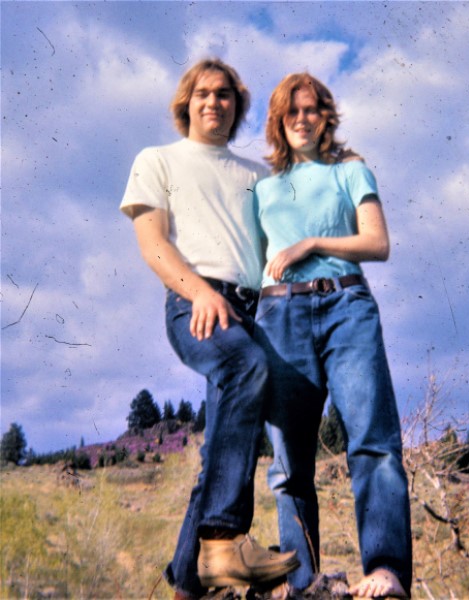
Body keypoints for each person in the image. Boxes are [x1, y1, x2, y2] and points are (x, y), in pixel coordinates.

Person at [120, 58, 299, 600]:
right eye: (203, 93)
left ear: (236, 106)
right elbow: (153, 243)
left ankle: (188, 586)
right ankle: (223, 537)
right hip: (194, 301)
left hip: (253, 311)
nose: (213, 102)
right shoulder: (158, 160)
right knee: (246, 366)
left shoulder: (257, 177)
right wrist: (199, 291)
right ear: (186, 102)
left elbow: (278, 251)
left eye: (224, 95)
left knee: (218, 456)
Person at [253, 73, 413, 599]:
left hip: (347, 305)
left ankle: (386, 571)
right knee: (289, 464)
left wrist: (311, 243)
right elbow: (251, 261)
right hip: (279, 316)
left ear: (326, 116)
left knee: (373, 441)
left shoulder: (350, 170)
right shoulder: (263, 186)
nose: (302, 119)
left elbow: (378, 242)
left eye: (311, 109)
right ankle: (301, 584)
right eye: (291, 111)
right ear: (279, 120)